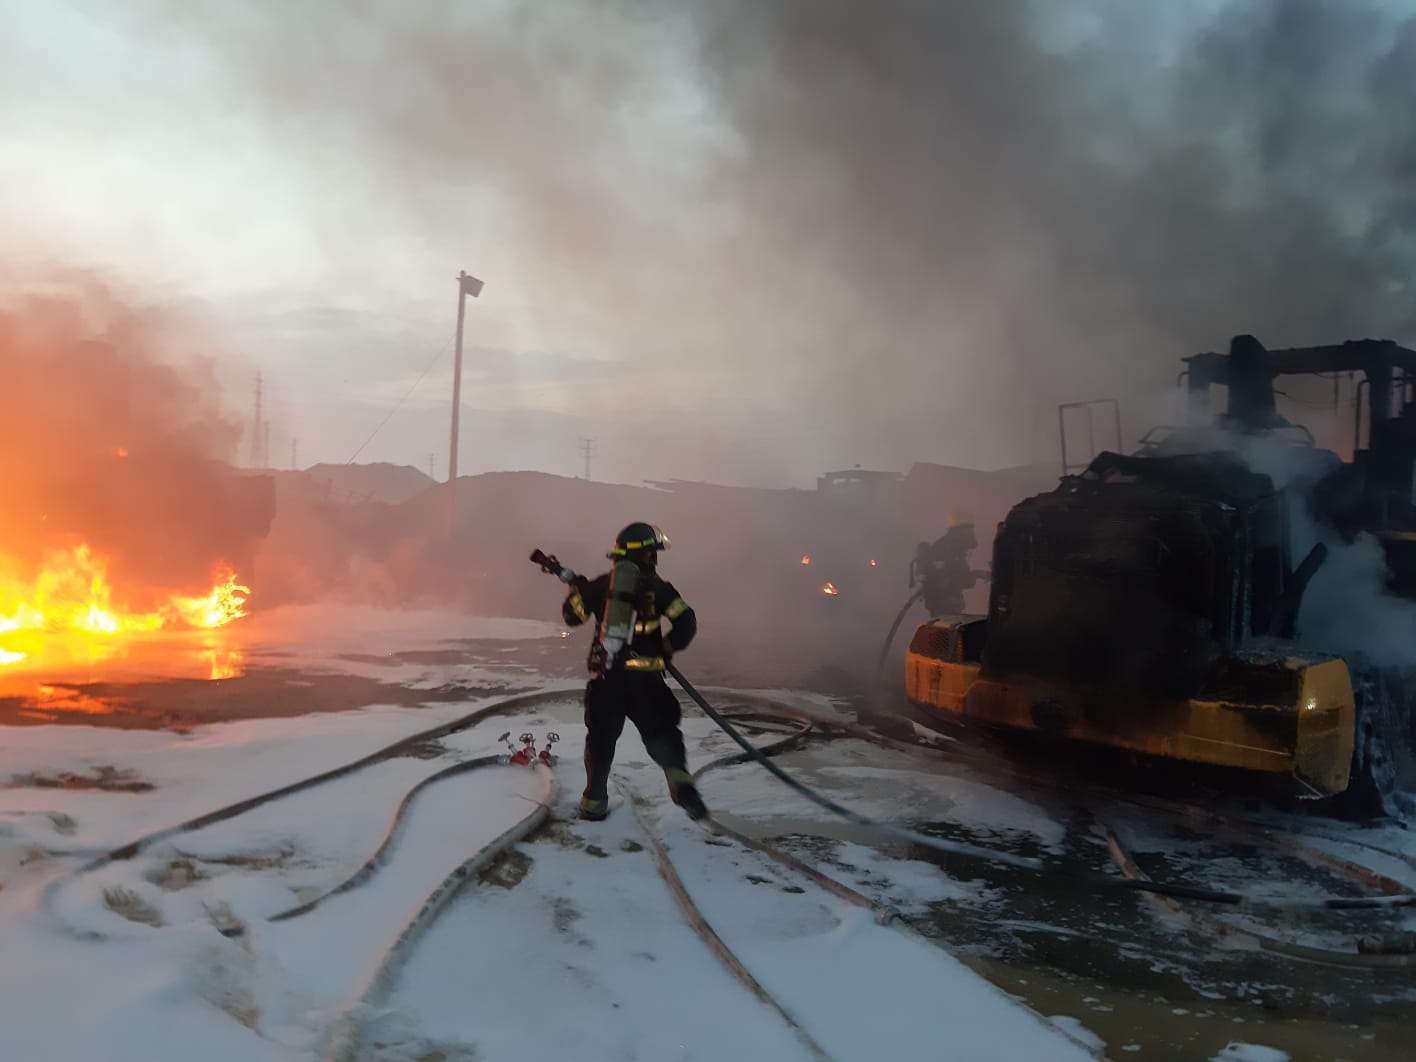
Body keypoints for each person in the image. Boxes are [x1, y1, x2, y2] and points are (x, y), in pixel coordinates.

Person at [561, 522, 708, 822]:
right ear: (648, 556)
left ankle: (594, 802)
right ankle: (682, 787)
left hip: (607, 681)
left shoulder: (602, 585)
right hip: (647, 683)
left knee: (601, 741)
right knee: (663, 735)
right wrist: (666, 648)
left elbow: (571, 617)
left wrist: (579, 592)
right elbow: (687, 622)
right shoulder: (660, 588)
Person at [919, 513, 985, 616]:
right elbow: (944, 578)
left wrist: (977, 574)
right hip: (944, 606)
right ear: (960, 531)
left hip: (950, 604)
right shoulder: (945, 549)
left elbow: (964, 580)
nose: (972, 534)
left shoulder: (956, 551)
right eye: (969, 530)